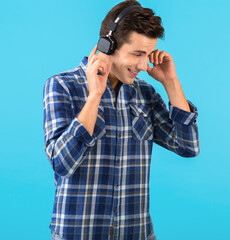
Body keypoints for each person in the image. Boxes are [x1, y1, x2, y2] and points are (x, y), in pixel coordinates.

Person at [43, 0, 200, 239]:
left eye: (147, 55)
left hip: (136, 233)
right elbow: (62, 164)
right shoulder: (62, 86)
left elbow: (188, 147)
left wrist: (171, 83)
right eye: (137, 54)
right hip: (78, 232)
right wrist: (94, 95)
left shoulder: (145, 94)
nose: (143, 65)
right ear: (107, 45)